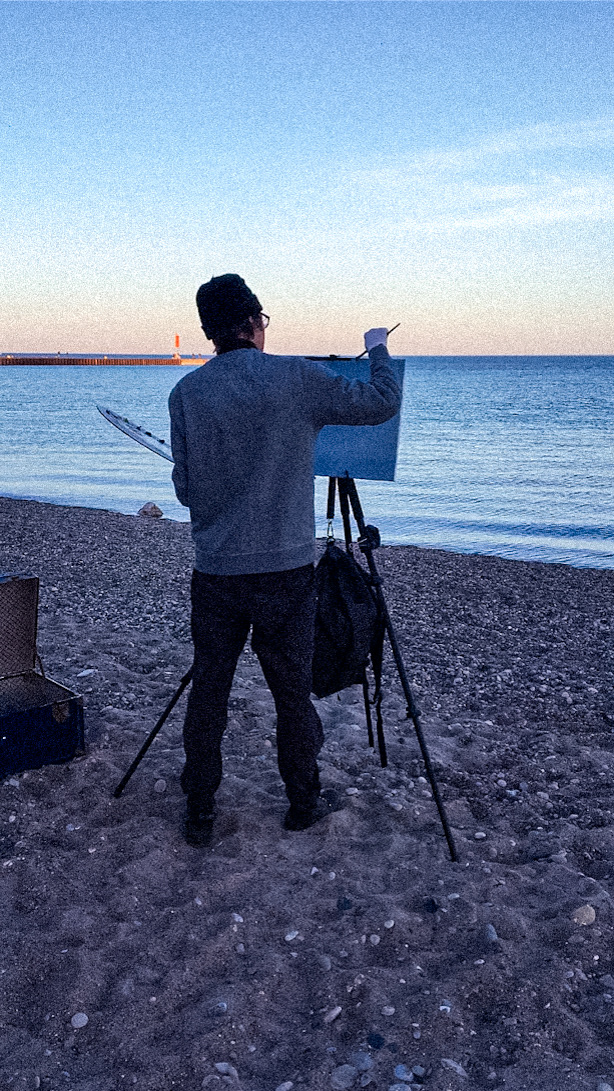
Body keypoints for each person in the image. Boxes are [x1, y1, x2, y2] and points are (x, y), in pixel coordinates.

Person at [168, 274, 401, 845]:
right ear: (252, 324)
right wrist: (377, 348)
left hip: (217, 569)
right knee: (291, 693)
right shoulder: (297, 377)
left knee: (210, 691)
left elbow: (185, 491)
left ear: (210, 332)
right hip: (287, 572)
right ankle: (302, 803)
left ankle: (199, 807)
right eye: (263, 321)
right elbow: (381, 402)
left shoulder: (185, 395)